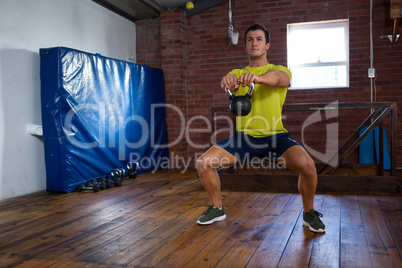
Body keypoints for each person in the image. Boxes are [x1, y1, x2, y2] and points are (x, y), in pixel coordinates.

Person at [196, 24, 325, 233]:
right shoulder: (238, 73)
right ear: (245, 46)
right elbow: (226, 83)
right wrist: (227, 81)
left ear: (267, 45)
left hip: (276, 138)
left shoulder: (280, 70)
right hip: (243, 139)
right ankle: (217, 208)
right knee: (204, 163)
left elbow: (280, 79)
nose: (254, 42)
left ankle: (309, 213)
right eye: (249, 39)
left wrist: (258, 78)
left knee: (308, 166)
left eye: (258, 39)